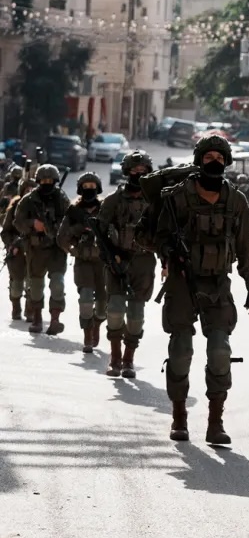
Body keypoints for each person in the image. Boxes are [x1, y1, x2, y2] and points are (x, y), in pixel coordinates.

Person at [156, 135, 249, 444]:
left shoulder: (236, 201)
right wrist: (169, 250)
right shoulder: (177, 197)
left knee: (219, 350)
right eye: (208, 157)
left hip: (217, 284)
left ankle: (216, 422)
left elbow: (245, 248)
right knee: (181, 350)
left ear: (227, 162)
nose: (214, 162)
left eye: (219, 157)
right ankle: (179, 416)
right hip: (182, 283)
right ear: (199, 160)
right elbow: (152, 236)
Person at [97, 151, 156, 378]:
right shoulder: (113, 201)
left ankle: (129, 359)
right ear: (126, 172)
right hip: (116, 261)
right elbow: (100, 234)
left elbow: (165, 233)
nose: (138, 174)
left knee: (136, 315)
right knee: (114, 310)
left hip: (143, 262)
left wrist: (167, 262)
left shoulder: (155, 202)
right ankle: (115, 358)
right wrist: (111, 257)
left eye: (143, 171)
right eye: (134, 170)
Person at [13, 164, 70, 334]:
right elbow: (18, 222)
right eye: (44, 181)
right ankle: (37, 318)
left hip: (56, 250)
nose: (47, 183)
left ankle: (55, 319)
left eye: (50, 180)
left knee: (58, 284)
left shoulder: (62, 199)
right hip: (36, 250)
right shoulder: (28, 200)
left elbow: (71, 221)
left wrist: (59, 229)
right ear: (38, 181)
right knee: (36, 286)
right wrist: (33, 224)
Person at [56, 173, 107, 353]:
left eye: (92, 186)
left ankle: (97, 323)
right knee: (85, 298)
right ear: (80, 189)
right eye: (85, 187)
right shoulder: (74, 212)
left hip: (103, 263)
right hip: (83, 262)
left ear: (98, 188)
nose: (89, 189)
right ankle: (87, 334)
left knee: (103, 305)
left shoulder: (105, 209)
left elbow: (114, 232)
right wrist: (74, 246)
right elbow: (61, 238)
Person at [1, 177, 35, 321]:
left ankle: (30, 309)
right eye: (27, 189)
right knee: (17, 284)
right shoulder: (15, 207)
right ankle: (16, 307)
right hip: (17, 252)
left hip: (34, 251)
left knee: (33, 283)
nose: (30, 192)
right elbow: (5, 232)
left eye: (32, 189)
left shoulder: (40, 207)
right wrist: (11, 245)